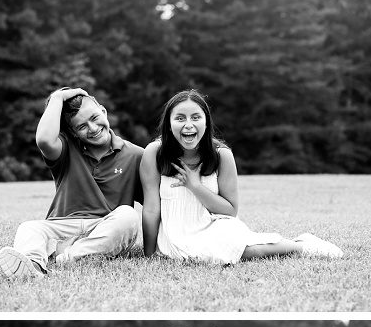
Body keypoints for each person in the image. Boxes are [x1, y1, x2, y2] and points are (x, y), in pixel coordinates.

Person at [138, 89, 343, 263]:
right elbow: (151, 209)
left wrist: (195, 186)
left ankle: (300, 245)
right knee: (191, 256)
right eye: (180, 118)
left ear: (206, 122)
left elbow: (230, 210)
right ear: (169, 124)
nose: (188, 124)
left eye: (196, 117)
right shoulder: (154, 153)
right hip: (173, 234)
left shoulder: (221, 155)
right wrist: (149, 254)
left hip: (214, 226)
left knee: (246, 251)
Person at [0, 87, 144, 279]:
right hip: (63, 226)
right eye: (82, 126)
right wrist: (57, 97)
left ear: (104, 112)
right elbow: (44, 140)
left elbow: (153, 207)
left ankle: (70, 256)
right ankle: (33, 266)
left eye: (94, 118)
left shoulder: (136, 155)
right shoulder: (65, 149)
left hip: (104, 226)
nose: (92, 128)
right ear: (74, 132)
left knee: (129, 216)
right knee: (29, 227)